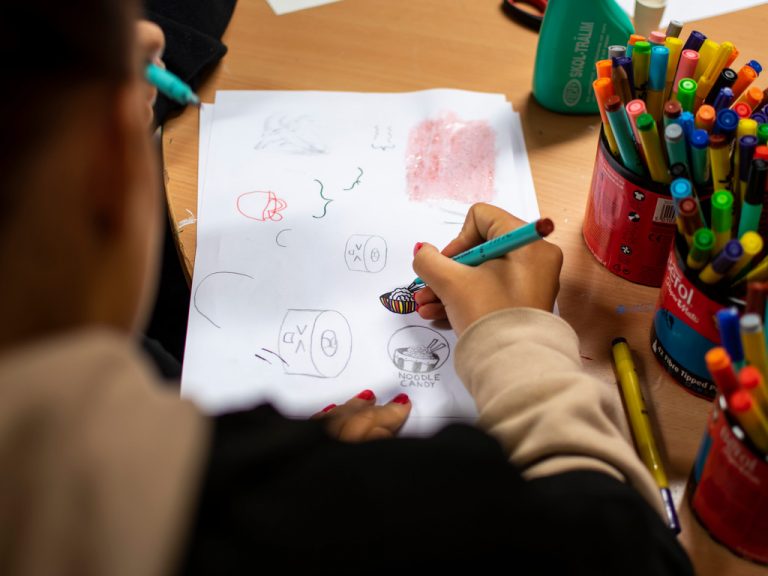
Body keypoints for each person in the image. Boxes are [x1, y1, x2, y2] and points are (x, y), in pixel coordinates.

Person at [0, 1, 693, 574]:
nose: (154, 35)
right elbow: (628, 552)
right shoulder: (277, 516)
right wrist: (522, 351)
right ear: (104, 168)